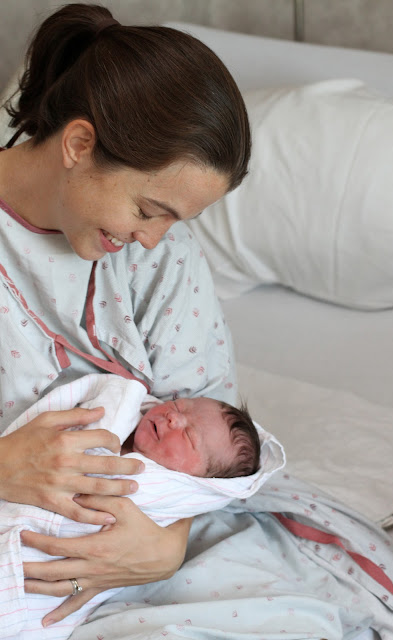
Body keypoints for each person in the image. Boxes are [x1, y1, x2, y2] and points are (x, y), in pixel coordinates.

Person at [0, 2, 251, 628]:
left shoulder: (163, 257)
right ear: (79, 144)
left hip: (134, 558)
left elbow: (213, 446)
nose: (153, 239)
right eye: (147, 210)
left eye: (176, 220)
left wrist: (164, 548)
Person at [1, 373, 285, 638]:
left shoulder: (161, 487)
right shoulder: (118, 417)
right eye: (180, 405)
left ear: (198, 482)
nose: (174, 416)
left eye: (189, 437)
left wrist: (168, 551)